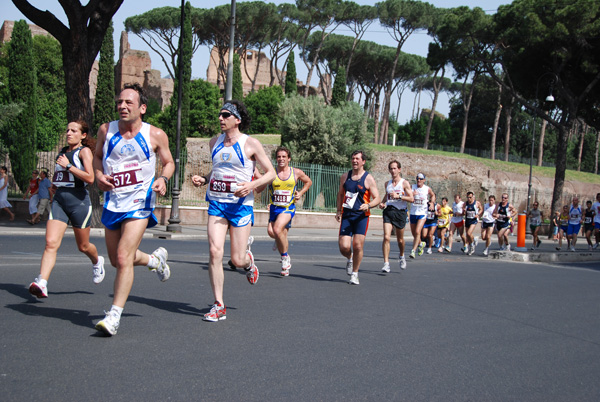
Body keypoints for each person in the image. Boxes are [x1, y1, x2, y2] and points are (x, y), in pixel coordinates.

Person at [92, 83, 175, 336]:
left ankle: (114, 316)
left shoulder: (155, 135)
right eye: (119, 102)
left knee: (123, 256)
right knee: (118, 260)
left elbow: (169, 162)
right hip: (114, 201)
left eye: (128, 102)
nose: (122, 106)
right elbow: (96, 156)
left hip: (140, 200)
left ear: (142, 108)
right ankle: (154, 260)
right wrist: (98, 174)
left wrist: (162, 179)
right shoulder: (106, 130)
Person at [192, 100, 275, 322]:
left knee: (236, 260)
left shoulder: (250, 144)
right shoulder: (214, 142)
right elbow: (218, 169)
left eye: (226, 115)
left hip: (240, 207)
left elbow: (271, 173)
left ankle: (248, 261)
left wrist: (251, 186)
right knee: (214, 252)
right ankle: (219, 304)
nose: (221, 118)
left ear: (237, 119)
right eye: (220, 114)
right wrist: (205, 178)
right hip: (218, 204)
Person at [28, 121, 106, 299]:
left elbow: (90, 178)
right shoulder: (62, 152)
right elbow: (62, 175)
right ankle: (42, 282)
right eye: (68, 130)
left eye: (74, 130)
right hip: (60, 201)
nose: (69, 133)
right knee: (50, 243)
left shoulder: (83, 152)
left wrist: (69, 166)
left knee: (83, 246)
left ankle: (97, 261)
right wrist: (56, 185)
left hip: (79, 201)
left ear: (83, 135)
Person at [265, 146, 312, 276]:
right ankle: (280, 245)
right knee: (274, 233)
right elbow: (264, 185)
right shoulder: (272, 173)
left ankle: (285, 259)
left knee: (277, 229)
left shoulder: (296, 172)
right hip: (275, 207)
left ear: (289, 159)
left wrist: (300, 193)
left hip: (288, 208)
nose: (281, 159)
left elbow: (308, 182)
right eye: (279, 157)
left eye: (284, 157)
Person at [336, 150, 380, 285]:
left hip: (361, 216)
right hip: (347, 216)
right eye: (353, 158)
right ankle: (350, 258)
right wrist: (338, 210)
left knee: (358, 246)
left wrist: (369, 205)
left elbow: (377, 198)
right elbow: (340, 195)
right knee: (343, 246)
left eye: (357, 159)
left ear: (363, 162)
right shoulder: (345, 176)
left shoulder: (368, 178)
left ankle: (355, 273)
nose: (355, 161)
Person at [379, 160, 413, 272]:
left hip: (400, 212)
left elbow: (411, 199)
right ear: (389, 170)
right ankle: (386, 263)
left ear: (399, 169)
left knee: (400, 240)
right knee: (386, 237)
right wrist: (383, 203)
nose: (393, 171)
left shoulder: (404, 183)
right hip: (389, 211)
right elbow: (387, 195)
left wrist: (399, 196)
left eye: (395, 168)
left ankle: (402, 255)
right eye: (391, 169)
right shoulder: (387, 184)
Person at [409, 173, 435, 258]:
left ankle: (413, 250)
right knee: (414, 233)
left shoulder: (427, 189)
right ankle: (421, 243)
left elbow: (433, 195)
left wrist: (431, 203)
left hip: (422, 213)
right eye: (417, 179)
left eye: (420, 179)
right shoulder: (412, 187)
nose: (419, 180)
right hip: (413, 213)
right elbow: (407, 196)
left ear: (424, 180)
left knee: (417, 232)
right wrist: (412, 194)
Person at [463, 191, 482, 255]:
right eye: (468, 197)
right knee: (468, 235)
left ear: (473, 197)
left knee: (469, 233)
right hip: (468, 219)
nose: (469, 199)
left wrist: (478, 214)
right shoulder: (465, 203)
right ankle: (474, 239)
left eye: (470, 197)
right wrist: (464, 211)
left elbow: (481, 209)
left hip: (474, 220)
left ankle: (471, 246)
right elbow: (463, 210)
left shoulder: (476, 203)